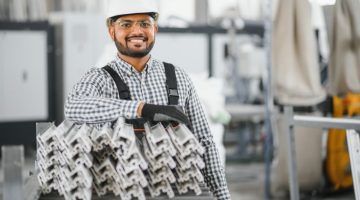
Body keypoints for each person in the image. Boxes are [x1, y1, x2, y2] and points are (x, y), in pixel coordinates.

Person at [64, 0, 231, 199]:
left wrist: (221, 195)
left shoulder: (177, 78)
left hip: (173, 191)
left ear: (155, 29)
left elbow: (205, 141)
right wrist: (141, 109)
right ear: (111, 31)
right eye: (126, 24)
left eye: (144, 23)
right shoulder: (100, 79)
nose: (137, 31)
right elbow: (74, 106)